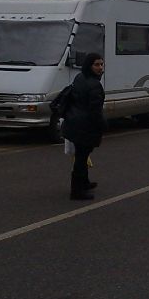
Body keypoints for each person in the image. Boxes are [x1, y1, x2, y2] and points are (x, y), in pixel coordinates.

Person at [62, 53, 106, 200]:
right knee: (81, 158)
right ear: (89, 65)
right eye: (96, 64)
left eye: (101, 64)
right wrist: (103, 125)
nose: (100, 67)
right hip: (84, 126)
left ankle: (84, 183)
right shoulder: (94, 85)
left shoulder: (79, 77)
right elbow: (95, 110)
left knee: (83, 155)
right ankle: (77, 191)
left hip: (74, 121)